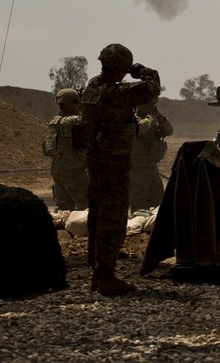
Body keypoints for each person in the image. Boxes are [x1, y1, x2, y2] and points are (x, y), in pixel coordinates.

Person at [81, 43, 161, 295]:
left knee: (97, 210)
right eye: (124, 70)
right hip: (113, 161)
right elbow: (152, 87)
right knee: (114, 216)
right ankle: (104, 275)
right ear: (120, 69)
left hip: (95, 159)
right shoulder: (118, 93)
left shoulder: (92, 88)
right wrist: (143, 70)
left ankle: (95, 262)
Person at [42, 88, 88, 211]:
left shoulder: (54, 121)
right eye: (76, 102)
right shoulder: (74, 121)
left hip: (57, 170)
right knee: (85, 205)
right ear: (71, 102)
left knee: (63, 208)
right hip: (74, 170)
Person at [129, 101, 174, 213]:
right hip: (138, 168)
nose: (151, 107)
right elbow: (140, 129)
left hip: (152, 167)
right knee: (139, 204)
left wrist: (159, 116)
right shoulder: (133, 118)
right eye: (148, 104)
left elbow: (169, 130)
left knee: (158, 202)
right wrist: (152, 117)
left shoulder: (153, 119)